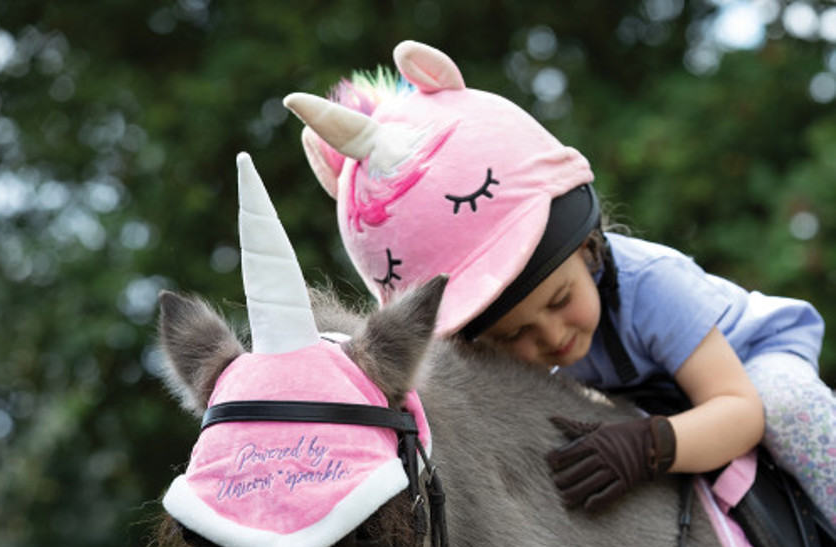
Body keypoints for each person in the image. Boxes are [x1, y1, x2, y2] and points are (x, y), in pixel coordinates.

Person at [284, 40, 834, 522]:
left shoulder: (654, 285)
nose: (547, 338)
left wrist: (651, 445)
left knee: (788, 406)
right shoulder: (543, 329)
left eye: (561, 299)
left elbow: (739, 413)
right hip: (648, 393)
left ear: (590, 248)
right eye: (510, 337)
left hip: (745, 365)